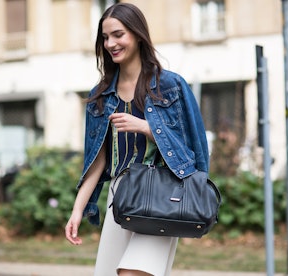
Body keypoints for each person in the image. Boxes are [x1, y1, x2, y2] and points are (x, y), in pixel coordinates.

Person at [65, 3, 209, 276]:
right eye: (105, 38)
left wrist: (147, 127)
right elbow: (97, 161)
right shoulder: (100, 96)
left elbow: (194, 146)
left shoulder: (172, 86)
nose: (110, 43)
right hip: (121, 197)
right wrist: (77, 211)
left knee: (132, 273)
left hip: (163, 195)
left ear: (138, 34)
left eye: (118, 35)